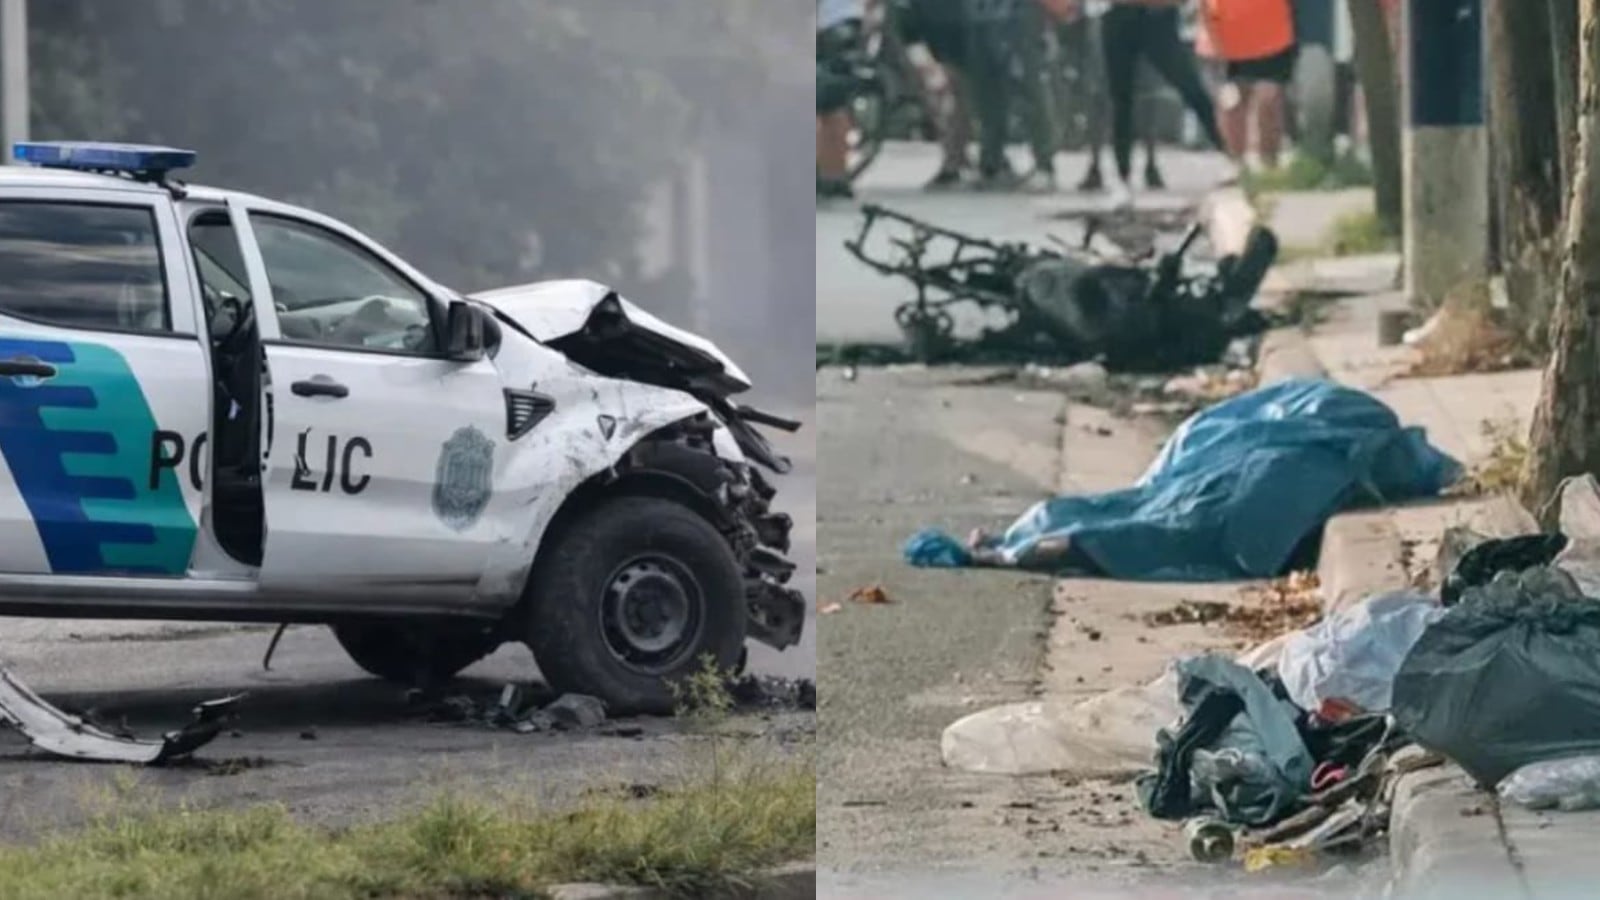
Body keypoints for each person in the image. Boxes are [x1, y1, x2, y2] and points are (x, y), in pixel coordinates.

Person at [1097, 0, 1227, 208]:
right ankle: (1123, 178)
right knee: (1121, 100)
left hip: (1158, 15)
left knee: (1192, 89)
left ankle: (1230, 155)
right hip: (1121, 14)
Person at [1199, 0, 1296, 169]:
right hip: (1225, 37)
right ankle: (1238, 166)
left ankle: (1269, 164)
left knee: (1269, 100)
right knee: (1232, 105)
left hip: (1273, 36)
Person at [817, 0, 867, 200]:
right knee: (833, 103)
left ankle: (830, 174)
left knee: (823, 103)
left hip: (827, 25)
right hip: (844, 22)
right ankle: (835, 175)